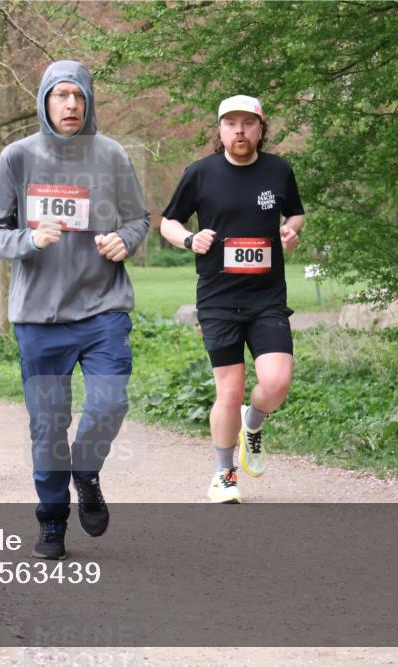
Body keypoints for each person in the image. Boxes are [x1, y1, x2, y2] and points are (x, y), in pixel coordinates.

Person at [0, 61, 150, 559]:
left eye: (79, 95)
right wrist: (29, 238)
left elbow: (139, 218)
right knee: (48, 424)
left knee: (111, 402)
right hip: (40, 317)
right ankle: (52, 520)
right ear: (44, 102)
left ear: (89, 101)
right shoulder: (17, 158)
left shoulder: (112, 155)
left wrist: (125, 239)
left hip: (103, 308)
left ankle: (87, 469)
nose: (71, 104)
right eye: (61, 96)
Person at [160, 94, 305, 503]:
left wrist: (291, 230)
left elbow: (295, 213)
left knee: (276, 382)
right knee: (230, 390)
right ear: (220, 130)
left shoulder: (279, 170)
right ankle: (224, 473)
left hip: (267, 299)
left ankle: (253, 424)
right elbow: (168, 222)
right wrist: (190, 238)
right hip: (218, 299)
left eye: (247, 123)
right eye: (230, 124)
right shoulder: (201, 174)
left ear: (261, 129)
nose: (239, 131)